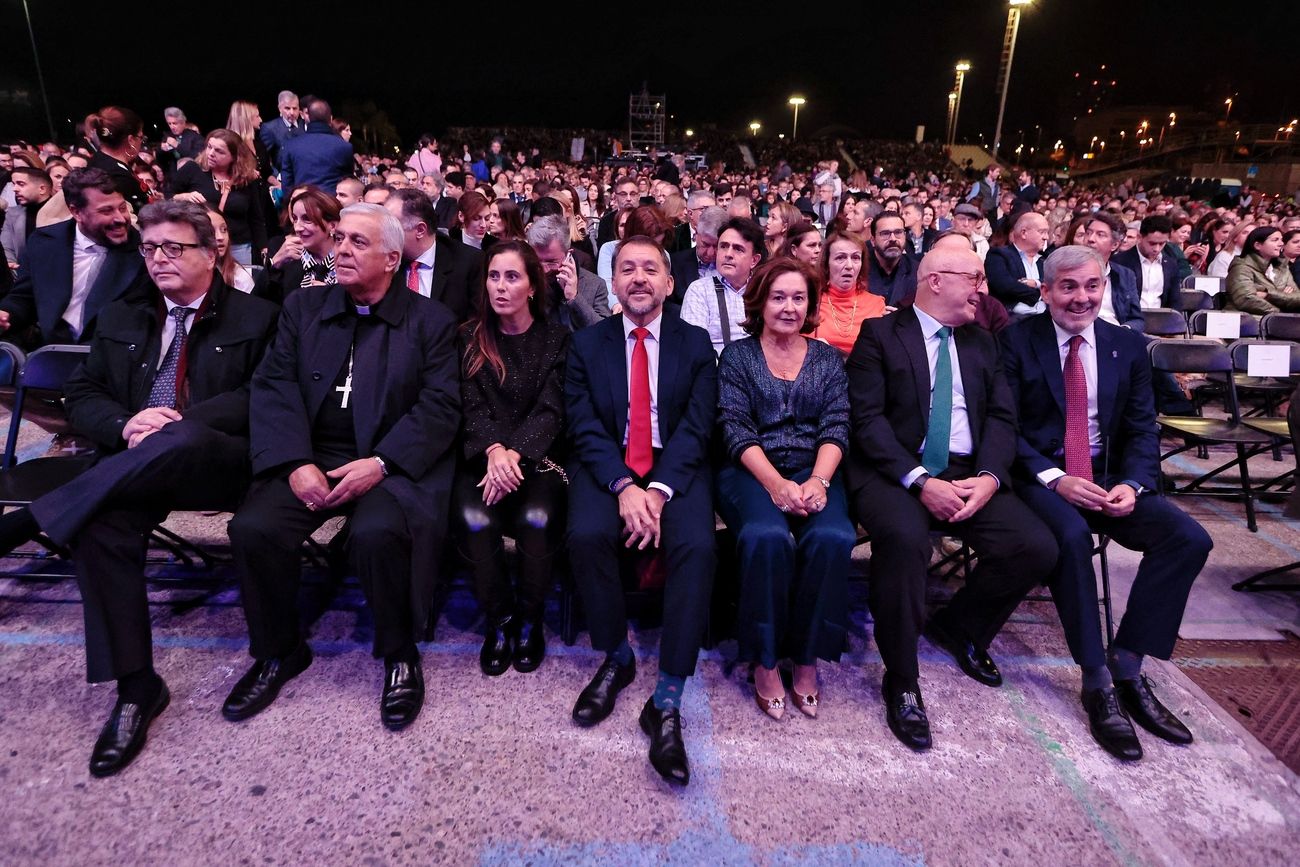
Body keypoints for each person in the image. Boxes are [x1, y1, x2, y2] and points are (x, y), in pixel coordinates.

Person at [0, 200, 278, 776]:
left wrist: (184, 421)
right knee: (100, 524)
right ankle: (136, 687)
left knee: (178, 438)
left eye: (174, 247)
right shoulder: (123, 315)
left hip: (219, 461)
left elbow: (264, 397)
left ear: (213, 251)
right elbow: (83, 396)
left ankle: (31, 521)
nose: (158, 259)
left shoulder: (258, 317)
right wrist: (125, 423)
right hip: (133, 462)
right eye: (150, 248)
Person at [224, 203, 461, 730]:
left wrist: (381, 462)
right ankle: (278, 650)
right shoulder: (303, 308)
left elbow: (441, 406)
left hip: (389, 457)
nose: (342, 250)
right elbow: (274, 386)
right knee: (254, 528)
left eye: (358, 242)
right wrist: (292, 462)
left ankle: (399, 653)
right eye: (339, 238)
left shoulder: (431, 322)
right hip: (312, 452)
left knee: (377, 532)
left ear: (393, 260)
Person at [1000, 245, 1213, 761]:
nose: (1081, 298)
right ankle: (1096, 681)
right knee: (1071, 538)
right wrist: (1055, 479)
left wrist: (1135, 484)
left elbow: (1142, 428)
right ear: (1045, 291)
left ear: (1106, 288)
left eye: (1091, 286)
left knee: (1187, 539)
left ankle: (1128, 665)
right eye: (1068, 287)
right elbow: (1004, 428)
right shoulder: (1014, 341)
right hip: (1041, 477)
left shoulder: (1128, 346)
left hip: (1108, 478)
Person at [845, 244, 1057, 752]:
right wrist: (919, 480)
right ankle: (901, 678)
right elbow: (866, 421)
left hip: (966, 471)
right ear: (936, 280)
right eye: (975, 278)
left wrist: (988, 476)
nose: (983, 289)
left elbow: (1003, 418)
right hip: (893, 469)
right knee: (904, 538)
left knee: (1035, 545)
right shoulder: (880, 334)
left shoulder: (984, 343)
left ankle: (958, 626)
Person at [564, 234, 717, 786]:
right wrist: (624, 485)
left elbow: (698, 428)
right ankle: (617, 657)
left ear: (669, 283)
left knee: (698, 545)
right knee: (584, 533)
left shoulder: (695, 344)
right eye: (627, 268)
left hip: (674, 469)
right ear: (613, 281)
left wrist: (658, 490)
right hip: (610, 465)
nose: (638, 278)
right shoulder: (587, 344)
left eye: (650, 269)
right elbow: (583, 425)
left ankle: (668, 698)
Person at [716, 258, 854, 720]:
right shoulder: (737, 356)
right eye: (778, 297)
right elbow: (735, 431)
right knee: (766, 537)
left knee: (833, 537)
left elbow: (837, 426)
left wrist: (818, 480)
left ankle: (809, 656)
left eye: (799, 298)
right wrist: (776, 485)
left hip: (818, 468)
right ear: (759, 301)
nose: (789, 307)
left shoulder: (828, 358)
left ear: (811, 305)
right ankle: (766, 659)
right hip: (752, 470)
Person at [455, 241, 569, 676]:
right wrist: (495, 451)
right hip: (482, 456)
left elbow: (552, 408)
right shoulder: (468, 336)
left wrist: (516, 452)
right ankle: (499, 620)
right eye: (494, 276)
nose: (500, 287)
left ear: (533, 287)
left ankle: (530, 619)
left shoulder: (557, 339)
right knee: (475, 520)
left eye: (512, 277)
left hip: (539, 458)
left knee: (537, 519)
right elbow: (469, 404)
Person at [0, 168, 151, 348]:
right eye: (106, 211)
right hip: (55, 354)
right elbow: (24, 297)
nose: (120, 218)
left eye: (121, 208)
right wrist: (6, 314)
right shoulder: (44, 243)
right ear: (76, 212)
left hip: (113, 359)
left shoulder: (145, 251)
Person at [384, 187, 483, 322]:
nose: (383, 234)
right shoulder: (383, 260)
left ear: (420, 230)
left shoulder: (469, 262)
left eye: (391, 228)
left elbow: (475, 324)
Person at [171, 129, 267, 265]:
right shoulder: (192, 169)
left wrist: (263, 247)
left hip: (239, 246)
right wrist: (184, 196)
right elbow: (167, 196)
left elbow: (256, 217)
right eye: (209, 147)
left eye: (219, 151)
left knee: (241, 285)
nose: (211, 153)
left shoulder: (246, 179)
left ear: (234, 157)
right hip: (202, 244)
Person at [681, 216, 765, 355]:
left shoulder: (763, 290)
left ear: (754, 260)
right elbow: (693, 350)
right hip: (715, 371)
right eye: (724, 246)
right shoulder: (699, 290)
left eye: (738, 249)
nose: (728, 254)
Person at [526, 215, 611, 331]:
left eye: (551, 262)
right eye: (537, 261)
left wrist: (574, 298)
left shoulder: (595, 285)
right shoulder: (524, 280)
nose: (544, 270)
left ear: (568, 254)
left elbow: (604, 332)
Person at [811, 231, 886, 355]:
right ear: (826, 263)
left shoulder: (877, 304)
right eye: (840, 258)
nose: (849, 265)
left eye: (856, 258)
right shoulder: (812, 302)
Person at [265, 185, 340, 304]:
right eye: (295, 219)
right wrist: (275, 263)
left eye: (307, 219)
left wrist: (333, 298)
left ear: (332, 226)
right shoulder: (289, 261)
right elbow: (261, 305)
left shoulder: (349, 262)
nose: (298, 227)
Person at [1080, 212, 1144, 331]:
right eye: (1088, 233)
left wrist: (1123, 331)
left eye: (1100, 235)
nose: (1091, 239)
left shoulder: (1126, 275)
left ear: (1114, 245)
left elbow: (1137, 319)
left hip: (1116, 337)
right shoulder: (1066, 270)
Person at [279, 100, 355, 195]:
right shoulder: (344, 146)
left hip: (302, 204)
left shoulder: (291, 145)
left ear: (309, 118)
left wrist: (291, 205)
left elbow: (287, 184)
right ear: (330, 119)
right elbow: (349, 182)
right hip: (333, 204)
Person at [985, 210, 1050, 319]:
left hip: (1045, 319)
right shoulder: (999, 255)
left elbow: (1053, 287)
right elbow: (1005, 286)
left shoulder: (1046, 260)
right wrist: (1040, 294)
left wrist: (1037, 284)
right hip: (1012, 319)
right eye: (1042, 232)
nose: (1046, 237)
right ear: (1024, 233)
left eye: (1047, 232)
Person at [84, 106, 150, 213]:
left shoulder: (99, 161)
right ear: (131, 140)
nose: (141, 142)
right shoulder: (118, 176)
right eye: (140, 137)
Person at [1225, 226, 1300, 315]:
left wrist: (1268, 295)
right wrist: (1280, 311)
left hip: (1278, 321)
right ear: (1258, 245)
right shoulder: (1241, 267)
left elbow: (1297, 298)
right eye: (1275, 240)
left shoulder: (1282, 267)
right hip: (1247, 321)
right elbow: (1245, 299)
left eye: (1281, 240)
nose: (1281, 244)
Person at [1113, 215, 1179, 310]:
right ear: (1140, 237)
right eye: (1152, 243)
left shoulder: (1171, 264)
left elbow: (1175, 301)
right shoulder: (1120, 262)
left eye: (1162, 243)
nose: (1157, 249)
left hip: (1161, 320)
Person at [669, 205, 724, 304]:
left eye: (716, 246)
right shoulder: (676, 264)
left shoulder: (733, 266)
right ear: (696, 233)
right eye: (705, 244)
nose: (710, 253)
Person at [1, 166, 53, 266]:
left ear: (42, 189)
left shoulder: (65, 213)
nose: (14, 189)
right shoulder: (13, 214)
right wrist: (9, 263)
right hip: (21, 274)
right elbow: (6, 247)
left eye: (21, 184)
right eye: (14, 184)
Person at [864, 212, 918, 307]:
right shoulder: (859, 269)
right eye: (885, 233)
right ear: (873, 240)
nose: (893, 239)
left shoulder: (917, 271)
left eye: (898, 232)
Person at [259, 90, 305, 172]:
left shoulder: (305, 125)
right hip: (282, 178)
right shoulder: (270, 128)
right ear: (280, 108)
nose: (291, 112)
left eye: (295, 108)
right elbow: (264, 160)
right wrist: (277, 176)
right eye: (287, 108)